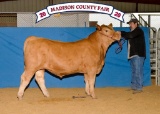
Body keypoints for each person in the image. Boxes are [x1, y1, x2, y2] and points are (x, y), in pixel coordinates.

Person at [120, 19, 146, 94]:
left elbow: (130, 35)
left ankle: (139, 87)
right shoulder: (133, 32)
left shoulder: (138, 31)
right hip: (133, 54)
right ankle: (134, 86)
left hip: (138, 54)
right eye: (129, 24)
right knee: (135, 71)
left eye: (131, 23)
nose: (130, 25)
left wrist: (121, 33)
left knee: (138, 71)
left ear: (136, 24)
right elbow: (129, 35)